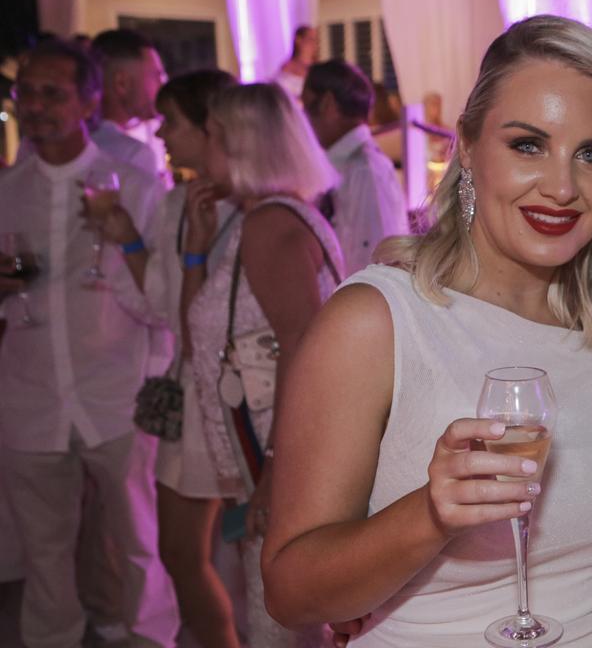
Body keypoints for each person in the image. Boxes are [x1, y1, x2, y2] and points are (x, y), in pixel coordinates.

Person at [260, 15, 592, 647]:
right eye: (528, 145)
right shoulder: (378, 321)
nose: (562, 187)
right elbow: (291, 592)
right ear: (469, 149)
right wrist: (429, 514)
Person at [0, 40, 179, 648]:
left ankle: (150, 637)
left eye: (54, 92)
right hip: (29, 395)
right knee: (44, 550)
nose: (37, 105)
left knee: (139, 542)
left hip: (115, 393)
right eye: (27, 91)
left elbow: (163, 296)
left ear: (89, 99)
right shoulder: (8, 188)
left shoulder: (133, 184)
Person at [185, 82, 342, 647]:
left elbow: (304, 342)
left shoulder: (269, 223)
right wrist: (197, 248)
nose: (204, 148)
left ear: (240, 144)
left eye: (210, 134)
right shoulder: (254, 217)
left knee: (278, 623)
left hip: (278, 453)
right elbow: (200, 332)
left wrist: (276, 469)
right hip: (270, 451)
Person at [96, 69, 243, 648]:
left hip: (232, 397)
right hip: (189, 396)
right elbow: (159, 304)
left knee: (215, 552)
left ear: (213, 127)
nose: (161, 132)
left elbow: (207, 318)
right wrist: (127, 236)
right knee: (181, 551)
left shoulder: (254, 203)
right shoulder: (178, 199)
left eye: (173, 121)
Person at [303, 60, 409, 274]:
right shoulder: (343, 166)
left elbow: (374, 259)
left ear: (328, 105)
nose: (303, 119)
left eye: (306, 106)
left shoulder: (364, 170)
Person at [90, 29, 169, 181]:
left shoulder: (76, 142)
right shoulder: (134, 155)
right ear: (122, 83)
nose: (162, 85)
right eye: (156, 76)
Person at [276, 26, 319, 102]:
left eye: (315, 40)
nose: (313, 44)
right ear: (298, 40)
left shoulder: (317, 69)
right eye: (310, 39)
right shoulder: (286, 67)